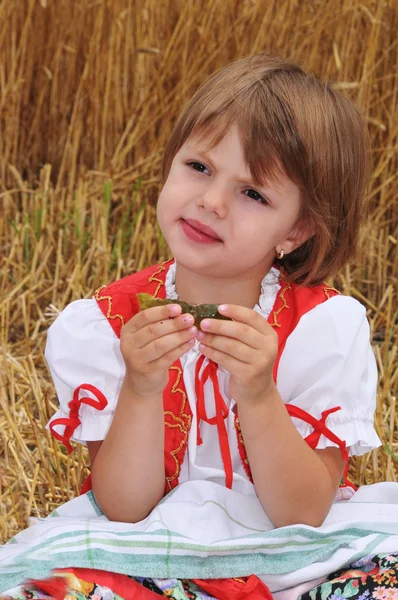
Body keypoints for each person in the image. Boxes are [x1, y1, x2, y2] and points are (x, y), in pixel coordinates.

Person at [2, 54, 392, 600]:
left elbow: (302, 513)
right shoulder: (106, 324)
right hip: (144, 555)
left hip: (298, 558)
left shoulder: (321, 328)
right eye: (199, 168)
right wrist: (141, 387)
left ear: (297, 229)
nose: (211, 201)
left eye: (252, 194)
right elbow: (123, 508)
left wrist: (258, 394)